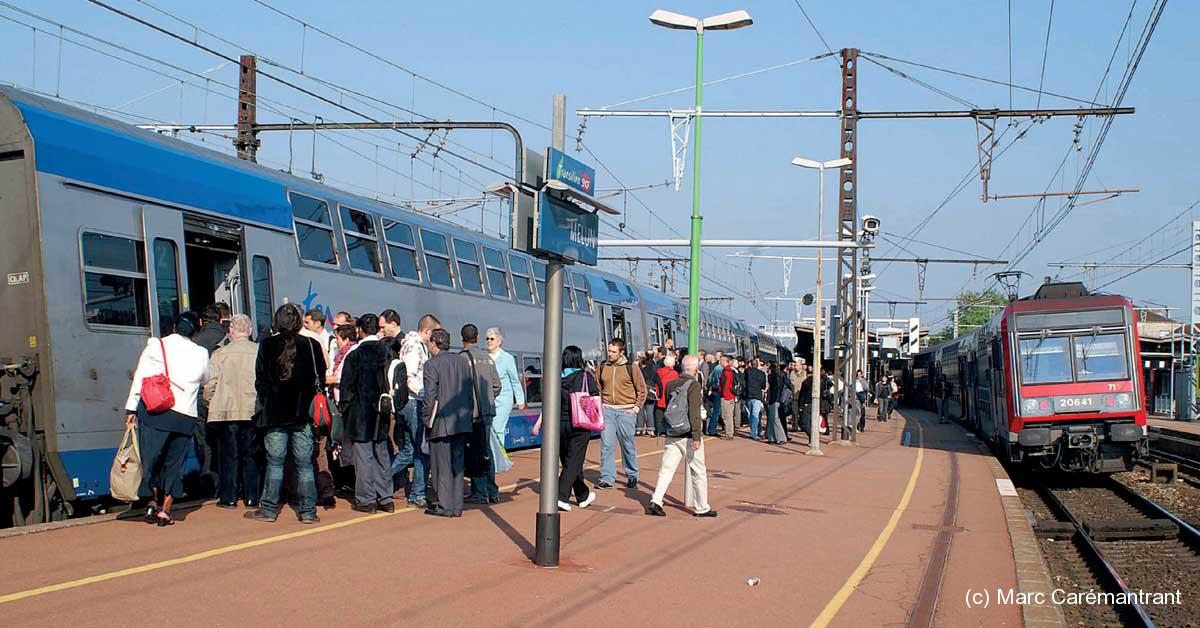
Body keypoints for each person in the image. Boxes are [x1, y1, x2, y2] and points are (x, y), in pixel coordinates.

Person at [125, 312, 210, 526]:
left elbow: (140, 377)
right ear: (196, 330)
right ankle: (166, 511)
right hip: (185, 417)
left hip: (155, 412)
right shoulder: (200, 352)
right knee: (174, 463)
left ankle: (152, 502)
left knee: (152, 460)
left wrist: (131, 410)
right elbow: (205, 378)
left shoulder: (156, 346)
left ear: (174, 326)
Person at [246, 304, 326, 524]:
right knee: (305, 464)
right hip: (303, 414)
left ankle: (270, 509)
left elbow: (260, 381)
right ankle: (308, 511)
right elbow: (320, 377)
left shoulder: (267, 345)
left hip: (275, 414)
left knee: (275, 462)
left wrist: (268, 399)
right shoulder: (311, 345)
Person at [646, 355, 717, 518]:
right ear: (695, 369)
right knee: (698, 471)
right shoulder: (693, 385)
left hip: (672, 433)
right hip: (688, 434)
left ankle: (656, 500)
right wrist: (697, 436)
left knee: (666, 470)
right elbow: (694, 412)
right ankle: (702, 507)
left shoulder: (671, 384)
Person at [202, 314, 260, 509]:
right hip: (253, 410)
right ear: (250, 331)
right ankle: (252, 497)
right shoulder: (259, 351)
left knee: (229, 454)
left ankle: (229, 497)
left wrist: (210, 402)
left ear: (231, 331)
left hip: (227, 410)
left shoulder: (220, 354)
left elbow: (211, 384)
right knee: (251, 454)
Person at [337, 314, 394, 514]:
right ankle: (386, 498)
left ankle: (366, 499)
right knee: (381, 453)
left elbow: (346, 388)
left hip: (360, 412)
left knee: (364, 457)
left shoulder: (354, 354)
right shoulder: (386, 352)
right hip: (382, 410)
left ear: (360, 330)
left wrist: (344, 411)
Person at [530, 346, 598, 511]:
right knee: (574, 461)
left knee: (569, 461)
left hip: (558, 425)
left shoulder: (554, 378)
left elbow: (547, 402)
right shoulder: (584, 377)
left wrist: (540, 422)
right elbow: (595, 398)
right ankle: (561, 496)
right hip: (579, 424)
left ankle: (583, 495)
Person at [421, 328, 474, 518]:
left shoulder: (431, 364)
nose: (428, 345)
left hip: (441, 422)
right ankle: (456, 506)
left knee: (441, 466)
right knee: (457, 466)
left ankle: (444, 506)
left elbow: (430, 396)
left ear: (434, 343)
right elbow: (469, 392)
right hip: (461, 421)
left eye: (428, 342)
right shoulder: (462, 362)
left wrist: (427, 419)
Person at [394, 314, 440, 508]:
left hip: (408, 403)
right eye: (435, 333)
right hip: (414, 402)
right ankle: (417, 494)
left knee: (408, 450)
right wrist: (426, 395)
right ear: (427, 331)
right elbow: (411, 378)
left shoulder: (411, 344)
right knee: (423, 450)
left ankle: (379, 485)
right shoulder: (414, 348)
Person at [595, 338, 647, 490]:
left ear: (621, 352)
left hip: (626, 410)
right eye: (609, 351)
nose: (610, 354)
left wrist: (636, 408)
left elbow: (642, 389)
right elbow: (598, 386)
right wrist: (600, 404)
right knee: (607, 445)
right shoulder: (603, 366)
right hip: (608, 410)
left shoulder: (631, 368)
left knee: (627, 445)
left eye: (613, 352)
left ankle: (632, 475)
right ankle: (607, 477)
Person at [461, 324, 501, 505]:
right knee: (486, 451)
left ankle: (479, 491)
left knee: (474, 451)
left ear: (462, 338)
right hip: (488, 411)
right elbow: (497, 385)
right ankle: (493, 491)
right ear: (477, 337)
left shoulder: (461, 359)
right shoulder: (488, 358)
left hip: (471, 413)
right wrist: (488, 399)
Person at [484, 327, 525, 469]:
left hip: (503, 399)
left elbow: (514, 380)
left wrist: (520, 400)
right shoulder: (485, 358)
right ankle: (494, 459)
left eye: (492, 338)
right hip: (488, 399)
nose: (489, 341)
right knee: (489, 429)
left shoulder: (507, 358)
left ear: (499, 341)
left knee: (497, 429)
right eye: (487, 338)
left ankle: (498, 461)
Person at [654, 355, 680, 436]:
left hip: (660, 395)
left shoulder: (659, 371)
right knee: (669, 413)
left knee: (659, 413)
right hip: (670, 396)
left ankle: (659, 430)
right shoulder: (675, 373)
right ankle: (668, 430)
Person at [743, 359, 767, 440]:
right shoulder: (762, 373)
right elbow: (763, 386)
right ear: (757, 365)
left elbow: (743, 382)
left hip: (748, 395)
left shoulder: (747, 372)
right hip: (757, 396)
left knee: (750, 414)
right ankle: (754, 433)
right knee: (755, 414)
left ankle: (753, 430)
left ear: (750, 364)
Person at [637, 353, 659, 437]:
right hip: (651, 392)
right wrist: (659, 392)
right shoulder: (654, 369)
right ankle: (651, 430)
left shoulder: (639, 370)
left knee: (640, 411)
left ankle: (639, 429)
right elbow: (658, 381)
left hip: (641, 392)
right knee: (650, 412)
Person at [766, 362, 788, 444]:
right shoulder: (782, 376)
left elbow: (771, 389)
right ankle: (772, 438)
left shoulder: (772, 377)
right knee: (773, 419)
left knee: (774, 419)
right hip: (778, 400)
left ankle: (781, 438)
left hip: (774, 399)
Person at [704, 354, 724, 436]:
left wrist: (711, 387)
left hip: (714, 390)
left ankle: (711, 428)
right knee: (717, 411)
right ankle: (712, 429)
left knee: (715, 410)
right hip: (720, 391)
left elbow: (709, 379)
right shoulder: (722, 369)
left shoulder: (716, 368)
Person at [719, 356, 737, 439]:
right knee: (728, 415)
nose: (719, 362)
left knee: (727, 415)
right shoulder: (730, 371)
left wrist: (723, 394)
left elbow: (725, 385)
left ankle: (729, 433)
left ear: (724, 361)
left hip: (726, 396)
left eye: (721, 361)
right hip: (730, 395)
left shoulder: (726, 372)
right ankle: (729, 432)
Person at [789, 358, 808, 432]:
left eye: (796, 365)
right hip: (794, 396)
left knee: (802, 413)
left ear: (800, 366)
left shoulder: (804, 374)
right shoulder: (792, 373)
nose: (795, 366)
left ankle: (803, 426)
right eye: (794, 365)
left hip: (802, 396)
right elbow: (791, 383)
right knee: (794, 412)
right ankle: (795, 426)